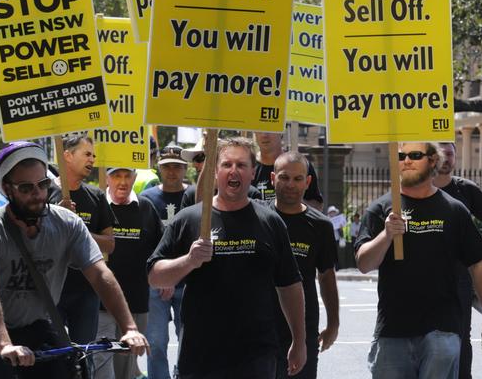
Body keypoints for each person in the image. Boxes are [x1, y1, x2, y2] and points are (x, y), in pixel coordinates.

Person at [0, 142, 148, 379]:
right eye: (26, 188)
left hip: (35, 325)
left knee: (69, 372)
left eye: (43, 185)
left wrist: (129, 328)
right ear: (7, 188)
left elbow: (100, 274)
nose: (37, 194)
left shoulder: (67, 223)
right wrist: (5, 345)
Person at [148, 137, 306, 378]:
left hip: (256, 356)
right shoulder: (188, 219)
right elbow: (154, 276)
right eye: (227, 165)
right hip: (200, 357)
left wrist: (299, 340)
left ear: (253, 172)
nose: (234, 171)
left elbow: (290, 285)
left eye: (241, 165)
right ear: (215, 171)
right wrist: (189, 260)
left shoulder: (271, 222)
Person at [355, 142, 482, 379]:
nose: (406, 160)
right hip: (393, 330)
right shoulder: (380, 209)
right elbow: (364, 264)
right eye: (400, 155)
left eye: (415, 155)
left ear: (433, 160)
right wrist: (387, 234)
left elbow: (479, 265)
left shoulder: (455, 210)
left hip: (442, 330)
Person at [433, 142, 482, 379]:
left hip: (460, 277)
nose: (447, 158)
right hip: (426, 276)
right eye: (442, 153)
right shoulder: (420, 189)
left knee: (461, 335)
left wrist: (479, 248)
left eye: (451, 153)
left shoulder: (466, 189)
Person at [269, 152, 339, 379]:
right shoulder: (257, 218)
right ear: (272, 179)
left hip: (303, 328)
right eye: (284, 177)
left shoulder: (321, 226)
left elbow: (327, 276)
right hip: (259, 327)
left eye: (298, 179)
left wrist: (333, 323)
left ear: (308, 182)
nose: (290, 184)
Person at [94, 167, 163, 379]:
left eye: (127, 176)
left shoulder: (146, 208)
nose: (122, 182)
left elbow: (160, 249)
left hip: (135, 301)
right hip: (100, 303)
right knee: (102, 363)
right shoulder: (96, 205)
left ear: (134, 178)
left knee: (126, 366)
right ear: (106, 177)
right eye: (116, 176)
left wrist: (164, 279)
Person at [48, 134, 115, 344]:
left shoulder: (96, 196)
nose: (92, 160)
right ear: (67, 155)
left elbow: (109, 244)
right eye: (87, 154)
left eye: (93, 155)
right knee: (53, 353)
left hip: (86, 291)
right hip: (51, 289)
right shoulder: (43, 192)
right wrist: (55, 215)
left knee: (84, 355)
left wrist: (77, 228)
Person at [141, 144, 189, 379]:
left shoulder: (193, 198)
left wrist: (176, 274)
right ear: (159, 168)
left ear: (185, 169)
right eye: (167, 166)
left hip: (189, 282)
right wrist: (163, 276)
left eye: (177, 167)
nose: (172, 171)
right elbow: (144, 243)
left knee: (189, 341)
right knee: (157, 343)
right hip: (155, 283)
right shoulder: (147, 200)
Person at [253, 132, 323, 210]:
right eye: (260, 130)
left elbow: (317, 206)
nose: (264, 135)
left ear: (281, 132)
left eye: (270, 130)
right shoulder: (246, 167)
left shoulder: (300, 165)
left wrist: (294, 201)